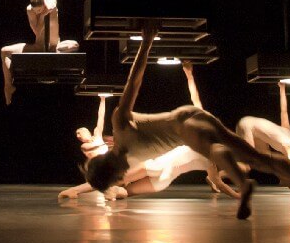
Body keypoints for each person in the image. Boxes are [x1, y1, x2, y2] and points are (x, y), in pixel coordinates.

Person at [83, 22, 290, 220]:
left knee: (215, 150)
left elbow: (133, 83)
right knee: (258, 159)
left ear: (111, 169)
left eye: (117, 177)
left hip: (186, 124)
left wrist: (147, 42)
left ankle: (243, 185)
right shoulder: (124, 157)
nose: (122, 178)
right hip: (196, 122)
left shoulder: (120, 126)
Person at [60, 65, 237, 202]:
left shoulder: (197, 137)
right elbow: (219, 184)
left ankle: (76, 190)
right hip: (163, 181)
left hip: (157, 165)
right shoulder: (212, 160)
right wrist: (239, 195)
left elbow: (195, 100)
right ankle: (106, 192)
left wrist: (189, 74)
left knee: (116, 179)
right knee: (124, 191)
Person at [1, 0, 80, 104]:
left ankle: (57, 51)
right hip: (38, 46)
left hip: (55, 46)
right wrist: (42, 15)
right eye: (35, 10)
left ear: (43, 3)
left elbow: (50, 7)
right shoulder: (30, 10)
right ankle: (8, 86)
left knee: (75, 44)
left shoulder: (51, 0)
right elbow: (37, 30)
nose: (37, 12)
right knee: (4, 51)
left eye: (39, 9)